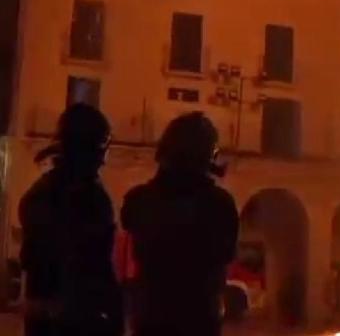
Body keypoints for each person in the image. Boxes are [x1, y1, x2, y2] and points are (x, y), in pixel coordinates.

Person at [121, 112, 238, 336]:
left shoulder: (139, 200)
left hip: (152, 318)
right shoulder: (220, 204)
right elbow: (226, 255)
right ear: (207, 154)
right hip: (200, 319)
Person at [19, 103, 123, 336]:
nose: (105, 158)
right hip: (81, 319)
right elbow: (100, 267)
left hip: (40, 317)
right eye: (104, 145)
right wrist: (116, 316)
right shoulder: (93, 199)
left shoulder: (37, 193)